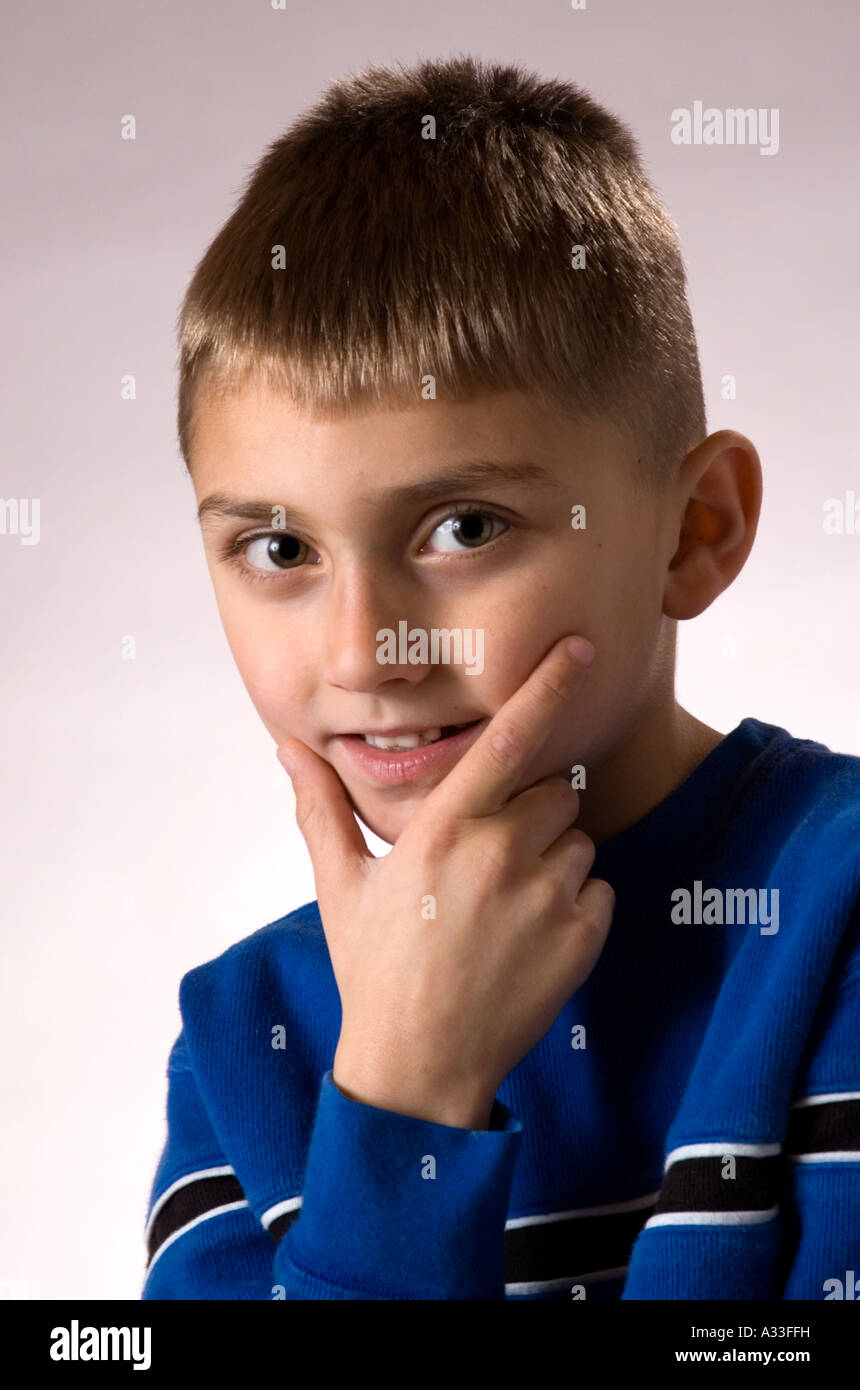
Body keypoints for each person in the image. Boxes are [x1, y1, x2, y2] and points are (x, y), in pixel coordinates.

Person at [142, 56, 860, 1300]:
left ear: (694, 530)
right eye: (279, 549)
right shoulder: (239, 1045)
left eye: (463, 528)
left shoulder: (837, 917)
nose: (368, 649)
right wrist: (403, 1092)